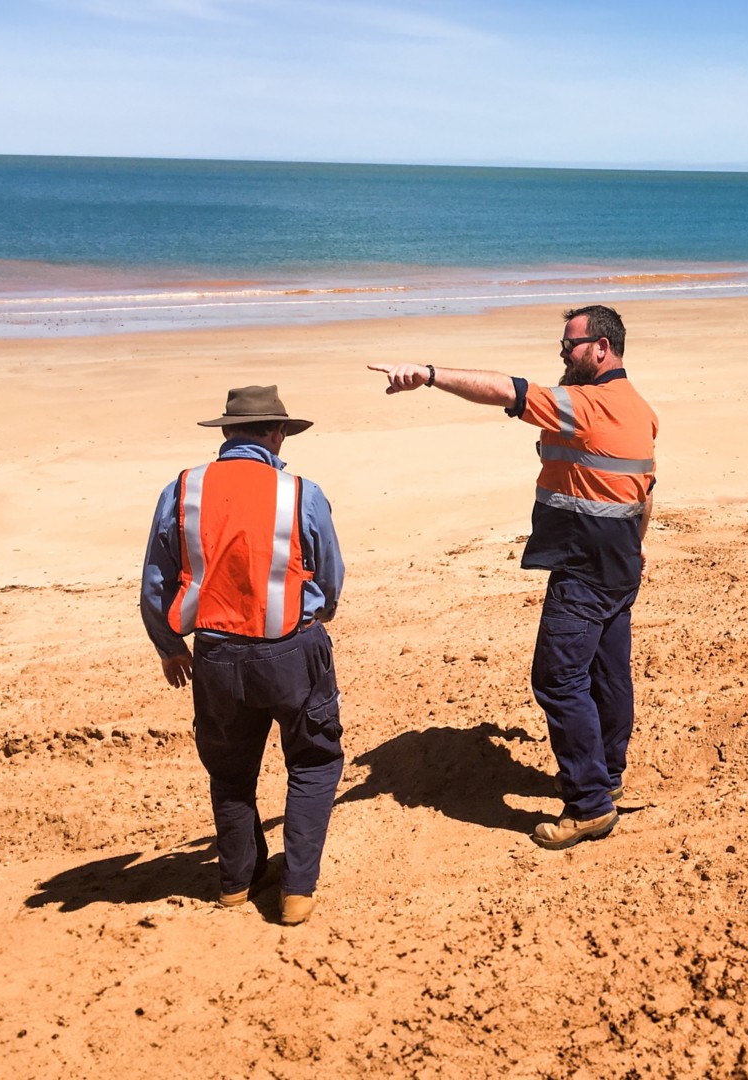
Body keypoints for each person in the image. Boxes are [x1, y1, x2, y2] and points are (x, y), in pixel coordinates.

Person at [368, 304, 657, 850]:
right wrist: (636, 550)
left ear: (601, 348)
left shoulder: (584, 404)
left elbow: (505, 389)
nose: (562, 355)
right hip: (621, 563)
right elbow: (647, 490)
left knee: (558, 680)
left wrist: (427, 375)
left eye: (570, 346)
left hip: (583, 569)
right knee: (608, 673)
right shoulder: (639, 408)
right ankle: (608, 773)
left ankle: (590, 804)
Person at [140, 385, 346, 924]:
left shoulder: (181, 490)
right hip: (289, 650)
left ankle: (238, 881)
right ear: (277, 433)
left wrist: (169, 648)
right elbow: (329, 575)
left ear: (227, 433)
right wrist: (318, 617)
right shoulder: (300, 491)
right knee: (314, 762)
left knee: (231, 772)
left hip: (213, 654)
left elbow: (154, 583)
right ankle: (297, 891)